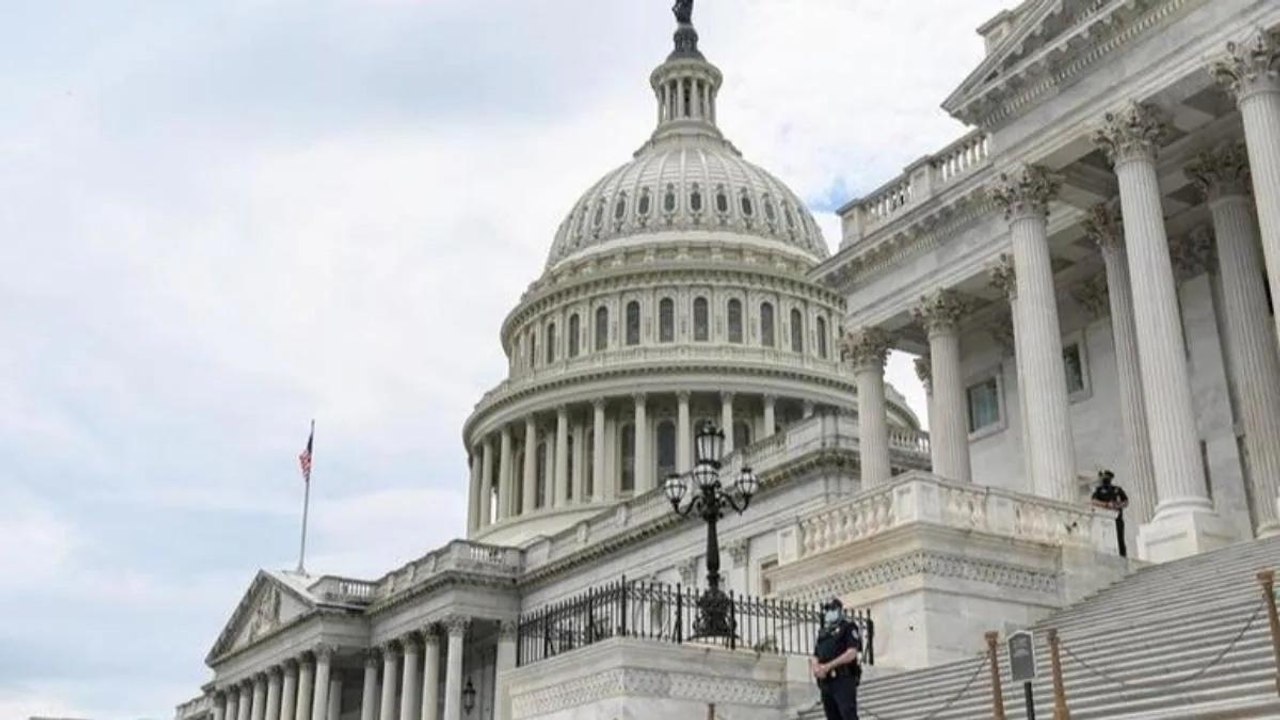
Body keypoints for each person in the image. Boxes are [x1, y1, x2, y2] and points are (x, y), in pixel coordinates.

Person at [812, 597, 862, 720]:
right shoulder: (823, 632)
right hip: (826, 682)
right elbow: (815, 655)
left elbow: (851, 653)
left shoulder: (848, 627)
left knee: (847, 714)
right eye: (827, 609)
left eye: (832, 609)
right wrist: (816, 669)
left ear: (840, 610)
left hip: (843, 678)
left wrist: (828, 666)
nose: (829, 612)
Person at [1091, 469, 1129, 557]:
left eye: (1107, 478)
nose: (1105, 480)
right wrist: (1106, 505)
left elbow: (1126, 502)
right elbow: (1094, 501)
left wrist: (1117, 505)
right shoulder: (1099, 490)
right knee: (1106, 538)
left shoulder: (1117, 489)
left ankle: (1123, 556)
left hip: (1117, 518)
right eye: (1104, 478)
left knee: (1120, 537)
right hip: (1104, 518)